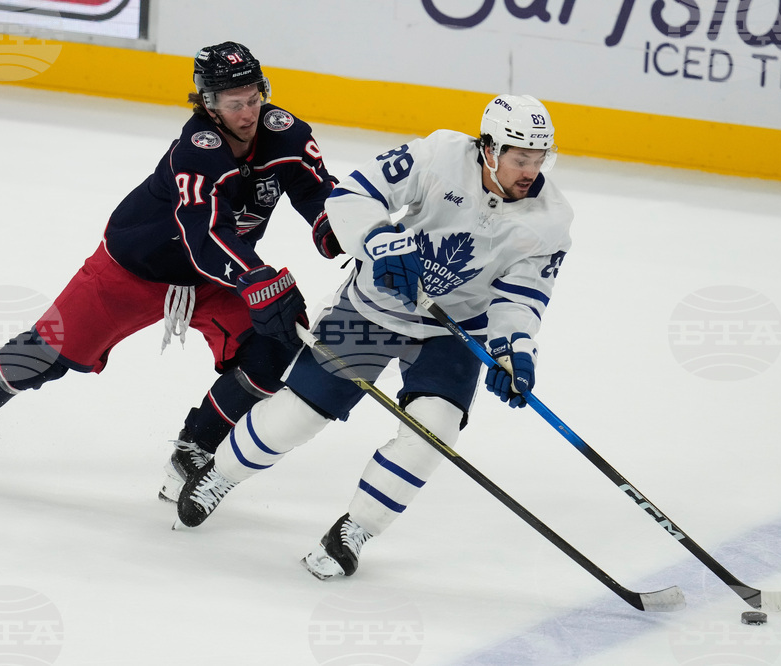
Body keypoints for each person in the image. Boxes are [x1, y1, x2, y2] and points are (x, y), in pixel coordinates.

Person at [0, 41, 342, 501]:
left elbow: (319, 192)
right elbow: (204, 235)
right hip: (132, 272)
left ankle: (194, 449)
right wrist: (255, 279)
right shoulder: (197, 150)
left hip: (213, 280)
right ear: (208, 103)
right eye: (233, 103)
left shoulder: (286, 134)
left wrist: (340, 231)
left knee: (276, 345)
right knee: (39, 356)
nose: (247, 112)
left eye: (254, 97)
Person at [173, 93, 574, 579]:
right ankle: (220, 474)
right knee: (298, 415)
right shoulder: (439, 156)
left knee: (434, 434)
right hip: (374, 306)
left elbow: (523, 297)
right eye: (519, 157)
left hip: (453, 330)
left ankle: (355, 529)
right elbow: (353, 195)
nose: (531, 170)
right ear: (489, 149)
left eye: (539, 158)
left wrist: (514, 352)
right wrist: (381, 242)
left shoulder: (551, 219)